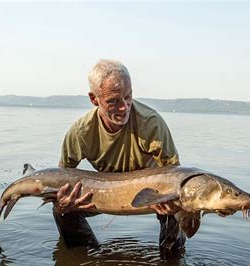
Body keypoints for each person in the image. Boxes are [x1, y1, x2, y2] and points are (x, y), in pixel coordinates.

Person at [52, 59, 185, 253]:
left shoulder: (152, 124)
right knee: (61, 210)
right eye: (113, 101)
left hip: (150, 195)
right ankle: (84, 259)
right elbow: (61, 177)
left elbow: (177, 176)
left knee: (175, 208)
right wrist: (61, 202)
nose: (124, 107)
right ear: (94, 99)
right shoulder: (81, 132)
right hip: (103, 195)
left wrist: (174, 203)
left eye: (128, 96)